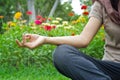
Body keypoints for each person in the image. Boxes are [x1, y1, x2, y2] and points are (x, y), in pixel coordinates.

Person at [16, 0, 120, 80]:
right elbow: (83, 39)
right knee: (62, 53)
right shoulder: (103, 4)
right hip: (110, 68)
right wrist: (44, 39)